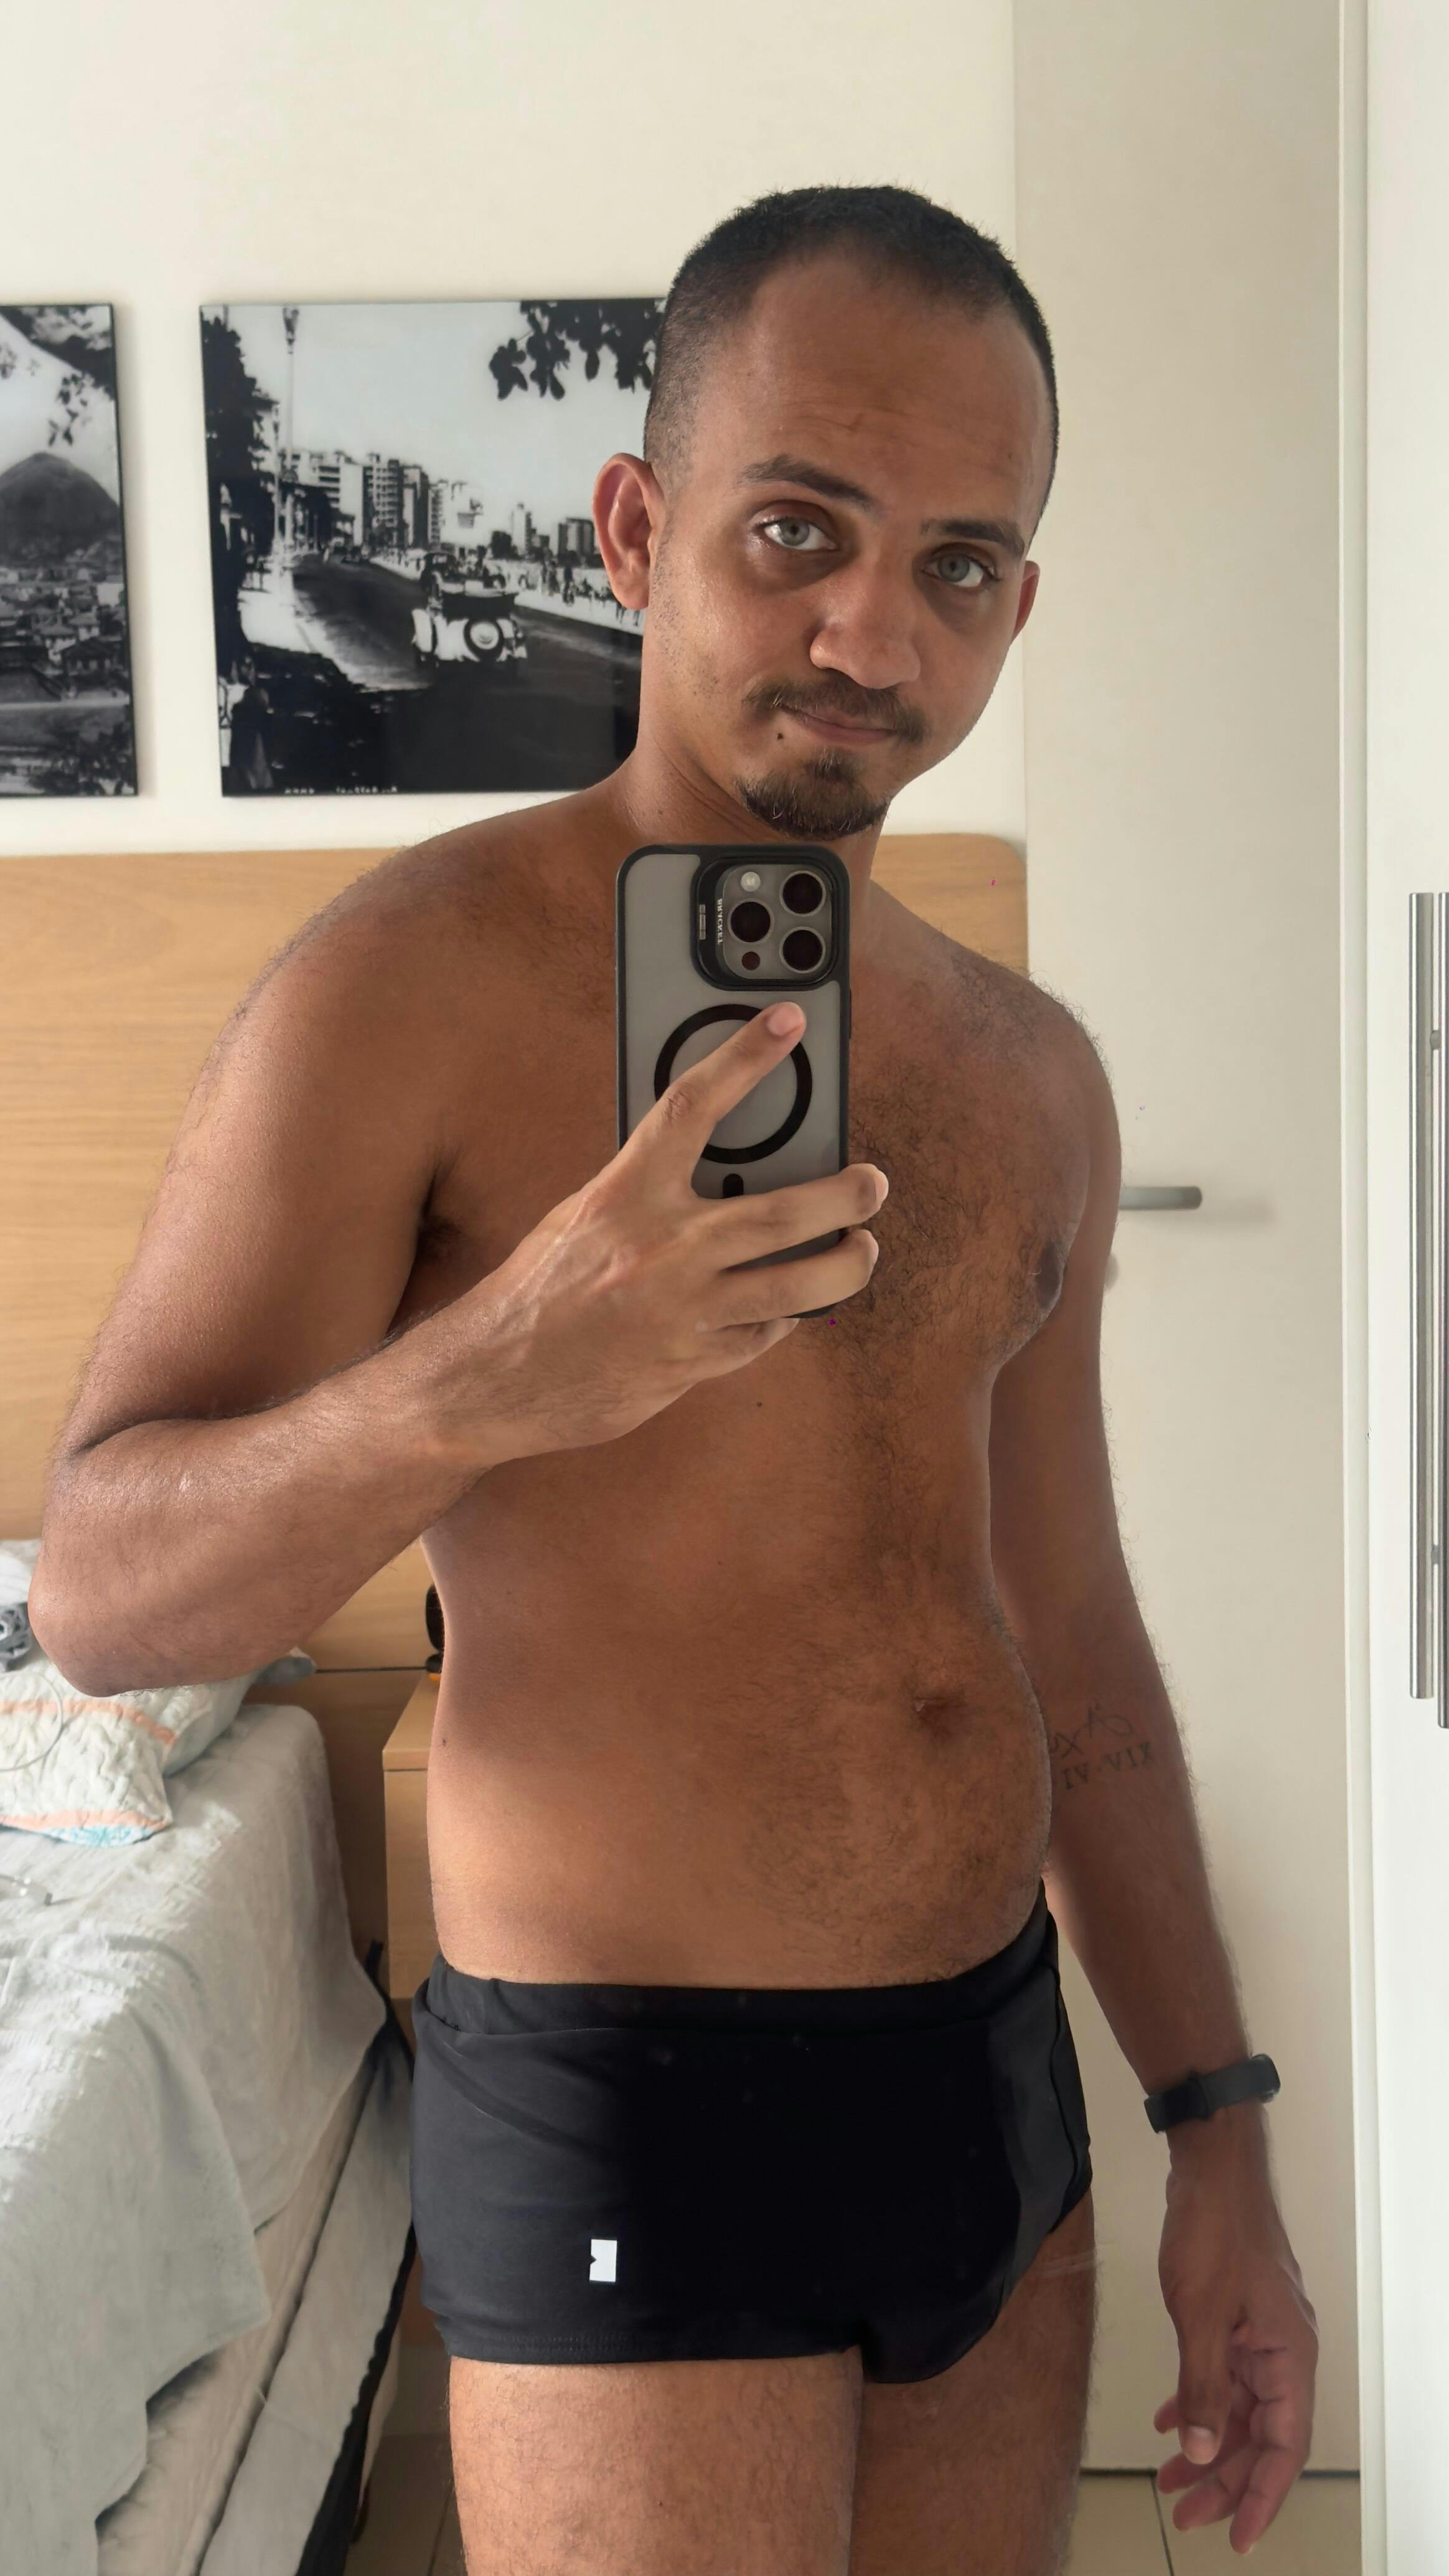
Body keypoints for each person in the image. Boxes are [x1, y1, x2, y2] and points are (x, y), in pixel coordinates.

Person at [30, 184, 1317, 2574]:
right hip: (632, 2089)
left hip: (989, 2077)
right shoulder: (402, 989)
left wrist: (1216, 2123)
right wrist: (491, 1373)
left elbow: (1078, 1640)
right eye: (799, 529)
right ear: (635, 530)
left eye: (956, 565)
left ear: (1016, 612)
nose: (871, 632)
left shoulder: (1031, 1074)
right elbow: (102, 1598)